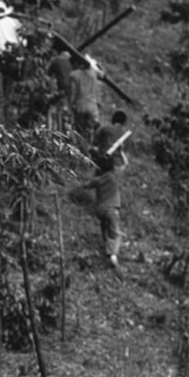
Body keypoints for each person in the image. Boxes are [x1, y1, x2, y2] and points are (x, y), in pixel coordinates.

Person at [80, 113, 130, 270]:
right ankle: (112, 254)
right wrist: (120, 153)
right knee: (115, 232)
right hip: (113, 203)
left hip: (100, 205)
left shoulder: (103, 129)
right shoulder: (124, 134)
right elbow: (124, 162)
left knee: (104, 224)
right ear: (123, 122)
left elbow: (94, 146)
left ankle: (105, 247)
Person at [69, 53, 102, 148]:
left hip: (80, 106)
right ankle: (88, 151)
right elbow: (103, 74)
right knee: (89, 131)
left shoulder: (74, 75)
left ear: (79, 64)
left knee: (79, 131)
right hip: (93, 107)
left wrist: (71, 105)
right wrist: (97, 65)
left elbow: (73, 92)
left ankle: (79, 150)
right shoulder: (94, 73)